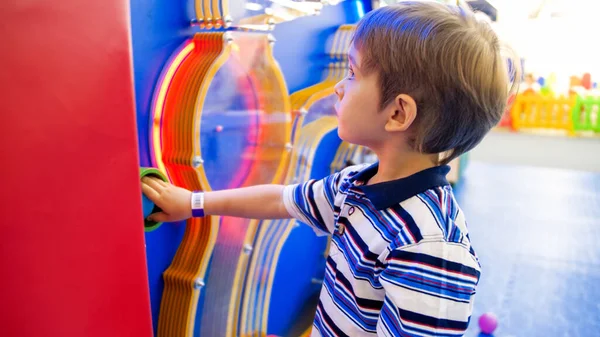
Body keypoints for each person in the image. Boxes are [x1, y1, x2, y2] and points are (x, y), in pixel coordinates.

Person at [142, 2, 519, 336]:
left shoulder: (429, 249)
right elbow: (280, 201)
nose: (339, 88)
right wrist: (193, 201)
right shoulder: (357, 186)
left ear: (398, 113)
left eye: (353, 74)